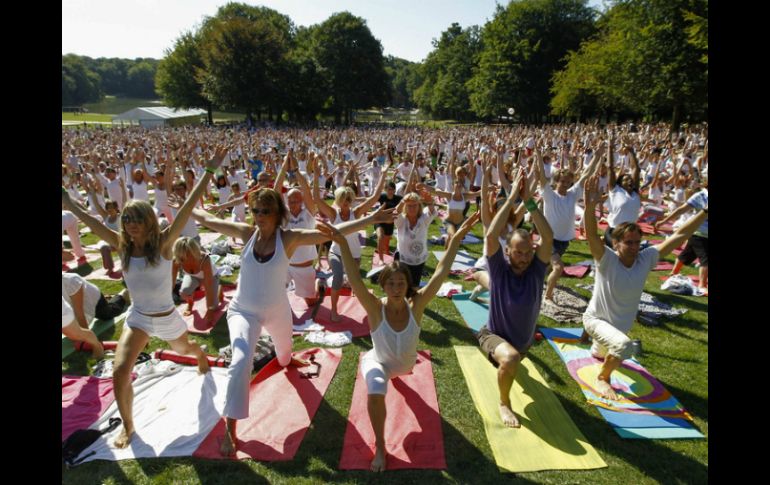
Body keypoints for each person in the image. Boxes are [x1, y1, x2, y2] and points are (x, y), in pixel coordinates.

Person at [190, 188, 396, 457]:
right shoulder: (245, 234)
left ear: (277, 214)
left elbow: (332, 231)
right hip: (243, 311)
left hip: (277, 311)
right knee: (241, 361)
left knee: (285, 358)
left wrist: (370, 220)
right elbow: (209, 220)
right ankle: (231, 430)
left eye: (266, 211)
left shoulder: (288, 237)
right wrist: (188, 207)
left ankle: (286, 358)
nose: (260, 216)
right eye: (256, 211)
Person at [61, 145, 228, 449]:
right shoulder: (121, 246)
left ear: (149, 221)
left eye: (136, 219)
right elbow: (91, 220)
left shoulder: (164, 244)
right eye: (127, 220)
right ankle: (128, 426)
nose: (131, 224)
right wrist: (70, 203)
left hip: (167, 317)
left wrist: (209, 170)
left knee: (186, 348)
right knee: (120, 370)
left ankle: (201, 354)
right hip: (137, 318)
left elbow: (189, 205)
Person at [320, 209, 480, 472]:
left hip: (405, 366)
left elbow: (441, 272)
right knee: (375, 390)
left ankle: (398, 386)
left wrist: (456, 239)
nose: (396, 289)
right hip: (380, 363)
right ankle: (381, 447)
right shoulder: (374, 307)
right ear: (384, 286)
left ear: (408, 286)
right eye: (391, 284)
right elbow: (356, 278)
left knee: (397, 378)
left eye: (400, 284)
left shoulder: (416, 306)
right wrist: (340, 242)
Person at [581, 175, 708, 399]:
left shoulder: (645, 258)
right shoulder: (606, 259)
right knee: (623, 346)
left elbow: (680, 234)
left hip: (617, 327)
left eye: (637, 242)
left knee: (601, 352)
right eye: (628, 242)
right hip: (595, 320)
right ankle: (603, 378)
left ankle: (596, 345)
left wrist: (705, 213)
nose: (633, 247)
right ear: (616, 243)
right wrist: (590, 206)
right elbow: (591, 234)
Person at [478, 168, 553, 428]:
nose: (524, 257)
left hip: (524, 342)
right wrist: (510, 199)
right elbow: (489, 236)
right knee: (510, 359)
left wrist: (529, 202)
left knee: (515, 359)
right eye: (518, 253)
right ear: (507, 251)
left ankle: (511, 365)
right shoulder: (499, 269)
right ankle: (504, 403)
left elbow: (548, 237)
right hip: (492, 335)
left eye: (528, 252)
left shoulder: (536, 270)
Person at [536, 143, 603, 303]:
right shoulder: (549, 194)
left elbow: (586, 174)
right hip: (549, 239)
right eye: (563, 181)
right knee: (558, 268)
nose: (565, 184)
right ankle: (548, 296)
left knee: (544, 269)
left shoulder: (572, 194)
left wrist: (597, 156)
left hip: (564, 241)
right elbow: (541, 175)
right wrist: (538, 155)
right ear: (557, 181)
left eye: (568, 182)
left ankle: (533, 282)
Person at [654, 177, 708, 294]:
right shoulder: (701, 196)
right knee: (706, 259)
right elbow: (681, 210)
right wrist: (664, 221)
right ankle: (702, 285)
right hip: (699, 232)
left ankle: (673, 272)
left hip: (703, 235)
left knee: (687, 254)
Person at [172, 236, 224, 325]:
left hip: (211, 278)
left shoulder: (205, 259)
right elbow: (171, 283)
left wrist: (210, 309)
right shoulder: (176, 260)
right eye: (182, 258)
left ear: (195, 252)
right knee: (184, 293)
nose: (186, 260)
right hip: (193, 276)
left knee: (214, 307)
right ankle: (190, 304)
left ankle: (219, 289)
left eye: (189, 255)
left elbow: (208, 287)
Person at [62, 272, 129, 328]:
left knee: (108, 314)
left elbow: (79, 313)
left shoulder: (71, 281)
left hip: (94, 299)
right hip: (73, 300)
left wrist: (85, 338)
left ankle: (121, 296)